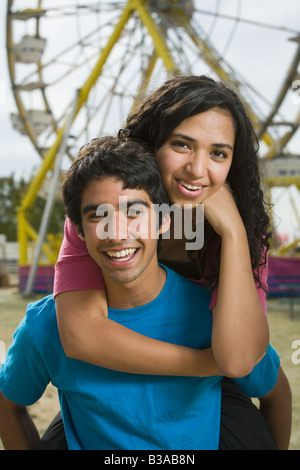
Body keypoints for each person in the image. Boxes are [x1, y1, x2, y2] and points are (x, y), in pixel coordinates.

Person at [0, 137, 291, 450]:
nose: (117, 232)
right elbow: (8, 406)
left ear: (164, 220)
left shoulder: (214, 315)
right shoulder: (45, 326)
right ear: (79, 231)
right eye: (97, 215)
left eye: (134, 212)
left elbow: (275, 395)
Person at [52, 75, 277, 449]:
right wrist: (207, 366)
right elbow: (82, 337)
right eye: (182, 145)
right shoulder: (100, 213)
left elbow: (238, 362)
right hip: (118, 381)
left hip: (206, 397)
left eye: (218, 153)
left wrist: (235, 232)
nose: (197, 169)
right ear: (152, 143)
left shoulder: (244, 234)